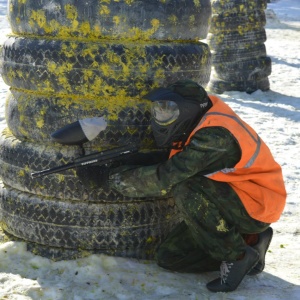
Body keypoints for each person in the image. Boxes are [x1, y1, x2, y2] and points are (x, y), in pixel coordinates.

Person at [84, 80, 287, 292]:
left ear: (188, 110)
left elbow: (167, 177)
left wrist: (107, 179)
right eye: (159, 110)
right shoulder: (201, 119)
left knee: (186, 187)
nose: (161, 117)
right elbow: (173, 159)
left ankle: (237, 255)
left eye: (169, 110)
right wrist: (127, 163)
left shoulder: (214, 135)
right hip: (235, 196)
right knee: (170, 258)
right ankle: (252, 242)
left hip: (258, 204)